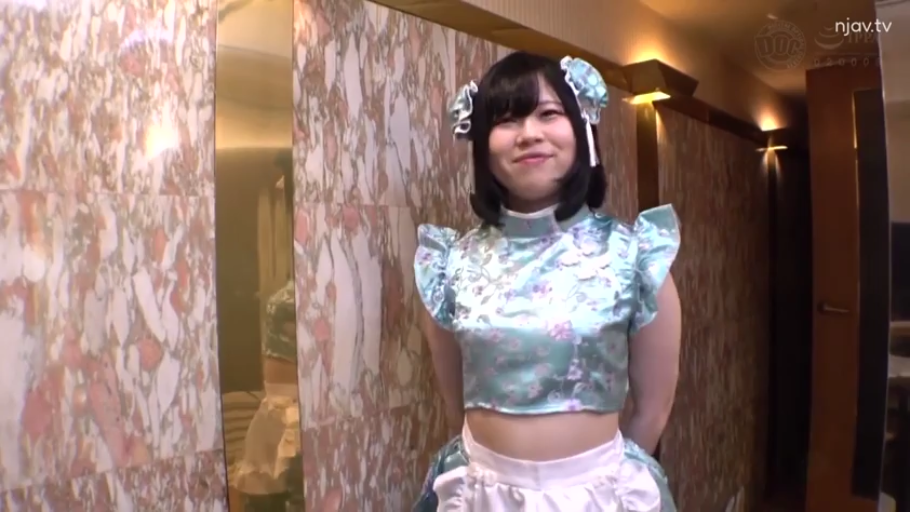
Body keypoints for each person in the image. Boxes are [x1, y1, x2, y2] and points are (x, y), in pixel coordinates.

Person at [412, 51, 682, 511]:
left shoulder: (634, 255)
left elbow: (654, 407)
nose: (529, 134)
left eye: (549, 113)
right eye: (507, 120)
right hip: (482, 494)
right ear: (482, 143)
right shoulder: (450, 263)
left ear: (581, 129)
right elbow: (456, 404)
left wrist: (600, 481)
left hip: (599, 496)